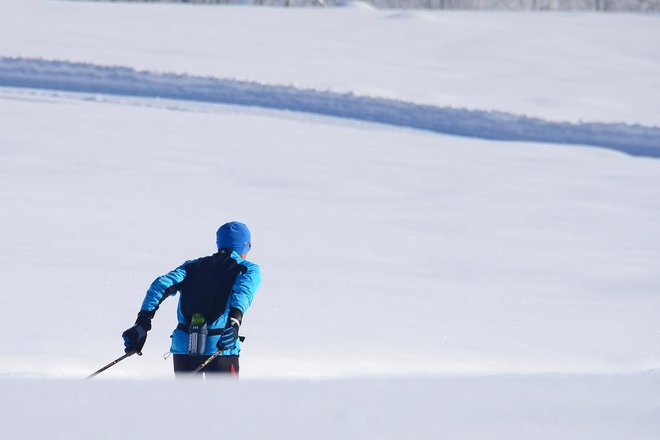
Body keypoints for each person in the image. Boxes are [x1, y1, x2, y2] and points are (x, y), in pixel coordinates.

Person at [122, 221, 261, 377]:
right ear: (246, 245)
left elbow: (160, 286)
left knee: (186, 401)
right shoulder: (248, 269)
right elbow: (243, 293)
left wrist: (143, 322)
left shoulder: (191, 266)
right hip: (221, 348)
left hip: (184, 349)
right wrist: (234, 321)